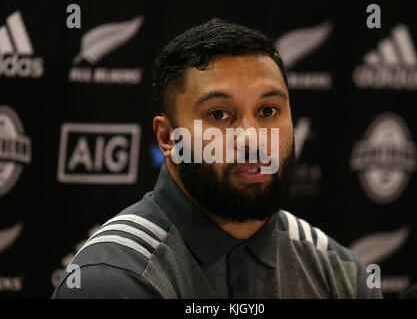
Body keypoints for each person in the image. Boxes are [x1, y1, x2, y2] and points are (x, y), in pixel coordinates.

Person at [52, 19, 383, 299]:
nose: (253, 138)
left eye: (268, 111)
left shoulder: (341, 273)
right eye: (220, 114)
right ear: (168, 138)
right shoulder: (111, 280)